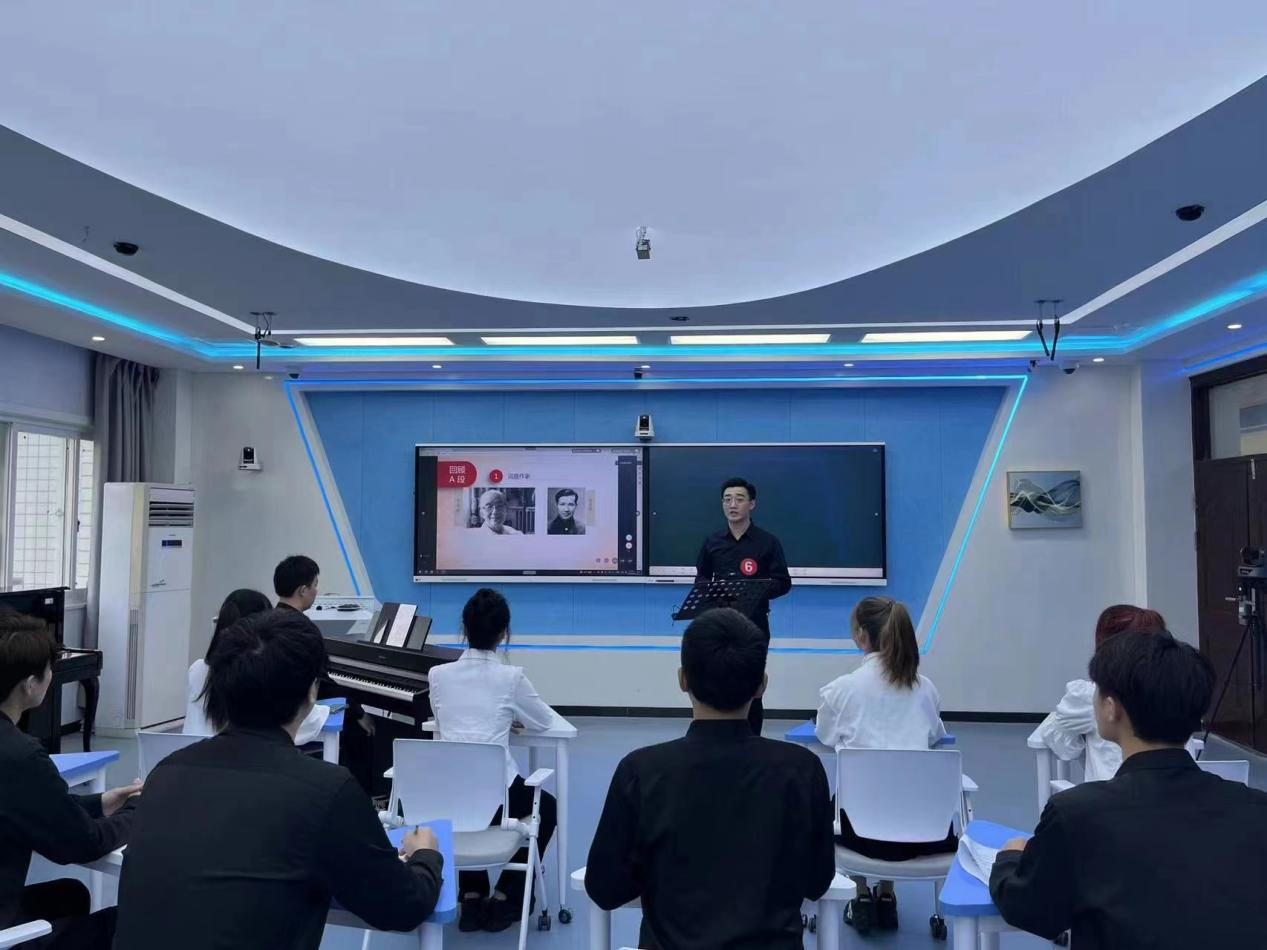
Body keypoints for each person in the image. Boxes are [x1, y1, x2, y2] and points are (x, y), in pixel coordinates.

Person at [112, 609, 443, 950]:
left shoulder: (165, 773)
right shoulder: (326, 791)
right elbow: (404, 906)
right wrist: (426, 856)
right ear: (312, 693)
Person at [991, 629, 1267, 948]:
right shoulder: (1256, 809)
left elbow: (1031, 910)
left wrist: (1009, 858)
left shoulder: (1076, 814)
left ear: (1111, 708)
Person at [587, 608, 834, 950]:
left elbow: (605, 889)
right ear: (762, 685)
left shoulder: (641, 771)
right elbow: (817, 882)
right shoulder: (803, 770)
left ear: (682, 679)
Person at [0, 607, 140, 950]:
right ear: (29, 685)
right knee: (126, 922)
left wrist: (102, 802)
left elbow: (28, 805)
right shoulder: (19, 755)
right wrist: (137, 812)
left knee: (69, 895)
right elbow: (84, 843)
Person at [815, 596, 950, 934]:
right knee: (900, 788)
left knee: (854, 794)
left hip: (857, 835)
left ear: (861, 635)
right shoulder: (926, 690)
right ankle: (887, 894)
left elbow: (825, 735)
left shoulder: (842, 690)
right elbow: (936, 736)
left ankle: (860, 893)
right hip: (925, 832)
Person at [427, 589, 558, 933]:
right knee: (547, 807)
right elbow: (543, 721)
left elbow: (442, 722)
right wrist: (510, 715)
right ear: (504, 633)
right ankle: (507, 898)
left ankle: (471, 896)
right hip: (499, 800)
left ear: (464, 629)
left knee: (466, 795)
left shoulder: (437, 675)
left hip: (447, 798)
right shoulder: (511, 677)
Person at [694, 477, 791, 734]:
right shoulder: (712, 542)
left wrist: (754, 591)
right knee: (717, 682)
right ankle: (718, 738)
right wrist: (711, 594)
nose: (732, 504)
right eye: (727, 499)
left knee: (752, 685)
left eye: (739, 499)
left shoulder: (767, 542)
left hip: (754, 624)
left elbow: (783, 582)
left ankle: (752, 739)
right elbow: (701, 579)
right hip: (720, 625)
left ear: (752, 504)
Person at [1029, 604, 1166, 781]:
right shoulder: (1175, 690)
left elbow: (1066, 747)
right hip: (1177, 792)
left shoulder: (1092, 696)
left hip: (1112, 793)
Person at [184, 589, 329, 743]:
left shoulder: (197, 669)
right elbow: (297, 725)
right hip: (246, 753)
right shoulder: (259, 677)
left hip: (192, 750)